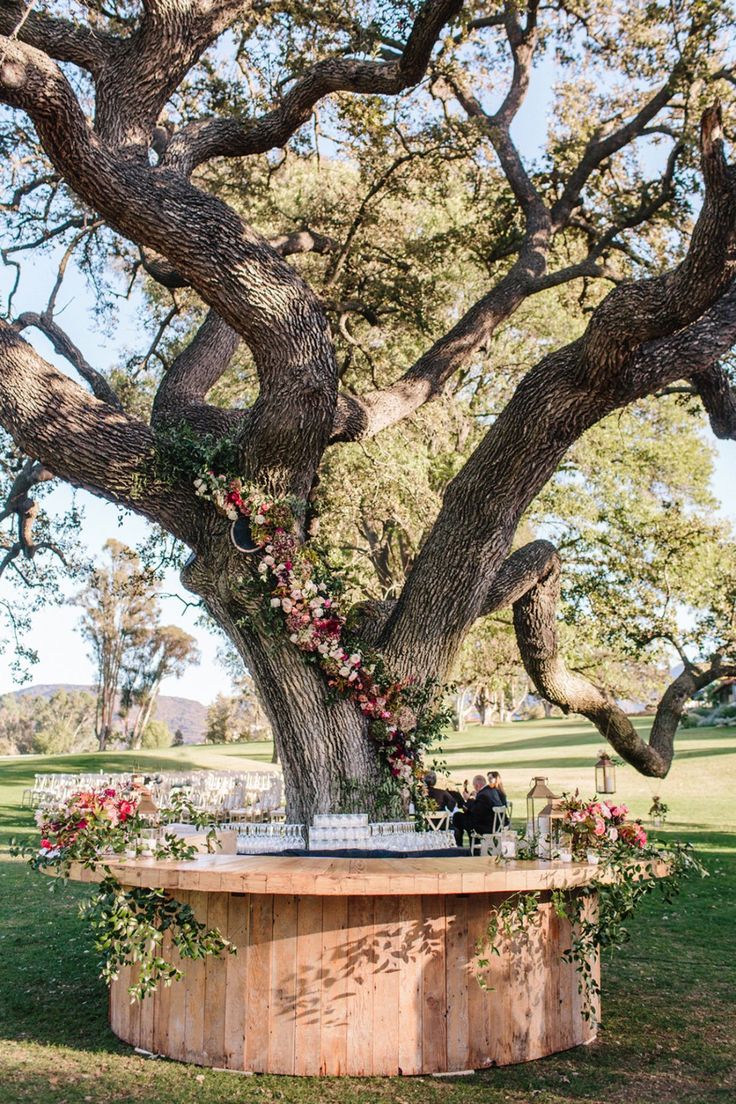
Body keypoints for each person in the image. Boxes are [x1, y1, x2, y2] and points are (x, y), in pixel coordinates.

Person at [452, 774, 507, 847]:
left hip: (486, 826)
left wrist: (468, 799)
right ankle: (472, 845)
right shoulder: (491, 791)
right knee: (465, 819)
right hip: (497, 824)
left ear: (477, 785)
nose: (474, 788)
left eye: (474, 786)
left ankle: (459, 845)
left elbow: (475, 811)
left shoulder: (483, 795)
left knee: (457, 816)